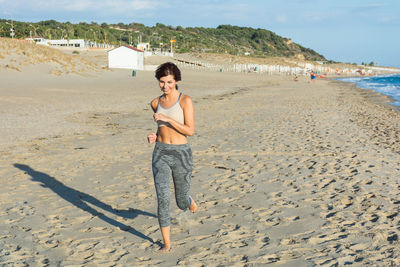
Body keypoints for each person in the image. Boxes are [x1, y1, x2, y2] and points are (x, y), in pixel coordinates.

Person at [147, 62, 198, 252]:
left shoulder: (185, 100)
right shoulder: (155, 103)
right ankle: (167, 243)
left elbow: (190, 130)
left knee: (181, 201)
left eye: (169, 82)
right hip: (160, 153)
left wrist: (167, 119)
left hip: (181, 154)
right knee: (162, 198)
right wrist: (155, 135)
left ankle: (189, 201)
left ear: (176, 81)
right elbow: (161, 127)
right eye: (162, 82)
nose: (165, 86)